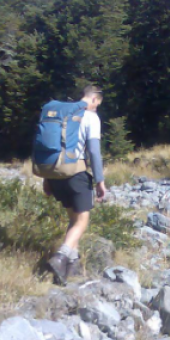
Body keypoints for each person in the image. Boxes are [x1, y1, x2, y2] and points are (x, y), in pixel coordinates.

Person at [44, 85, 107, 284]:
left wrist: (47, 178)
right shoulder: (91, 117)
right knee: (82, 221)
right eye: (98, 104)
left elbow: (53, 147)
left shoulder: (64, 114)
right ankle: (60, 256)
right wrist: (100, 180)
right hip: (76, 172)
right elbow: (94, 152)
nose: (97, 107)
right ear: (94, 100)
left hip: (55, 174)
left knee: (73, 220)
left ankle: (71, 268)